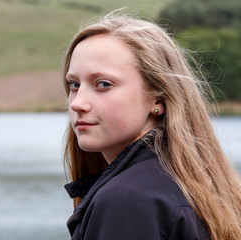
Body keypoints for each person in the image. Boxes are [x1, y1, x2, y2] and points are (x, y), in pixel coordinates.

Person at [62, 10, 241, 240]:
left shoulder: (127, 201)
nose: (78, 103)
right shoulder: (186, 187)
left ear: (158, 98)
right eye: (74, 84)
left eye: (103, 84)